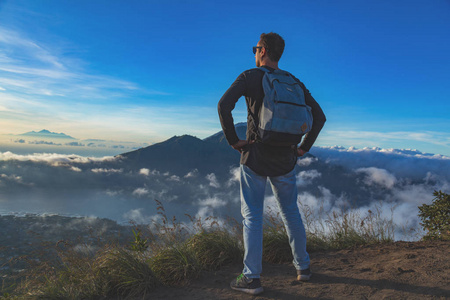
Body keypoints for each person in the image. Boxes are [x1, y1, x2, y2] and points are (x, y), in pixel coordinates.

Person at [217, 32, 326, 295]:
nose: (254, 52)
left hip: (255, 156)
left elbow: (223, 105)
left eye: (255, 48)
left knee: (252, 216)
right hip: (286, 159)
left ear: (263, 51)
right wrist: (302, 148)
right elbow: (319, 117)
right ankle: (303, 268)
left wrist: (234, 141)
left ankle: (252, 278)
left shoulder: (250, 76)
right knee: (290, 212)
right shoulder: (294, 82)